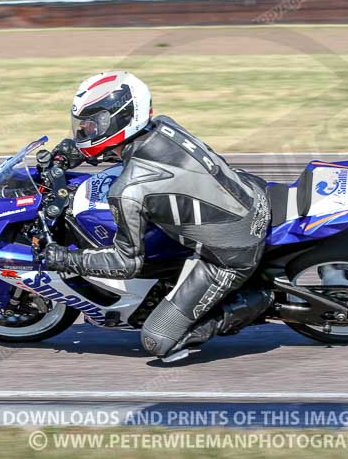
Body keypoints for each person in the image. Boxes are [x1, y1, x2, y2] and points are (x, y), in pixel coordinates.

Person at [43, 71, 273, 362]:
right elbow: (121, 149)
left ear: (119, 119)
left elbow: (125, 264)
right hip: (247, 193)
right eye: (82, 125)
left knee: (157, 342)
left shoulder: (128, 190)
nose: (84, 131)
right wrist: (75, 151)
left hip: (233, 249)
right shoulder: (162, 125)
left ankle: (259, 300)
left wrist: (62, 259)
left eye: (93, 124)